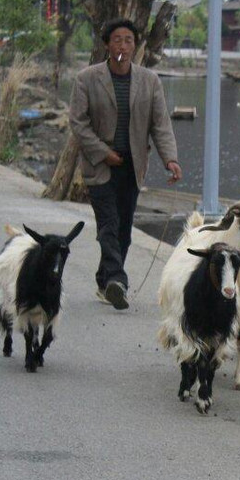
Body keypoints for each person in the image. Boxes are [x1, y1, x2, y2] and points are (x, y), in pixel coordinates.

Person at [68, 18, 182, 311]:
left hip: (132, 165)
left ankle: (104, 280)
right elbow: (78, 123)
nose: (123, 45)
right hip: (100, 164)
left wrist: (170, 159)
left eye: (128, 40)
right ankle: (118, 280)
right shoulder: (87, 78)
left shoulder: (149, 80)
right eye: (117, 40)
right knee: (108, 223)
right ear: (107, 45)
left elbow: (160, 124)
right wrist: (102, 152)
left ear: (135, 45)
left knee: (124, 229)